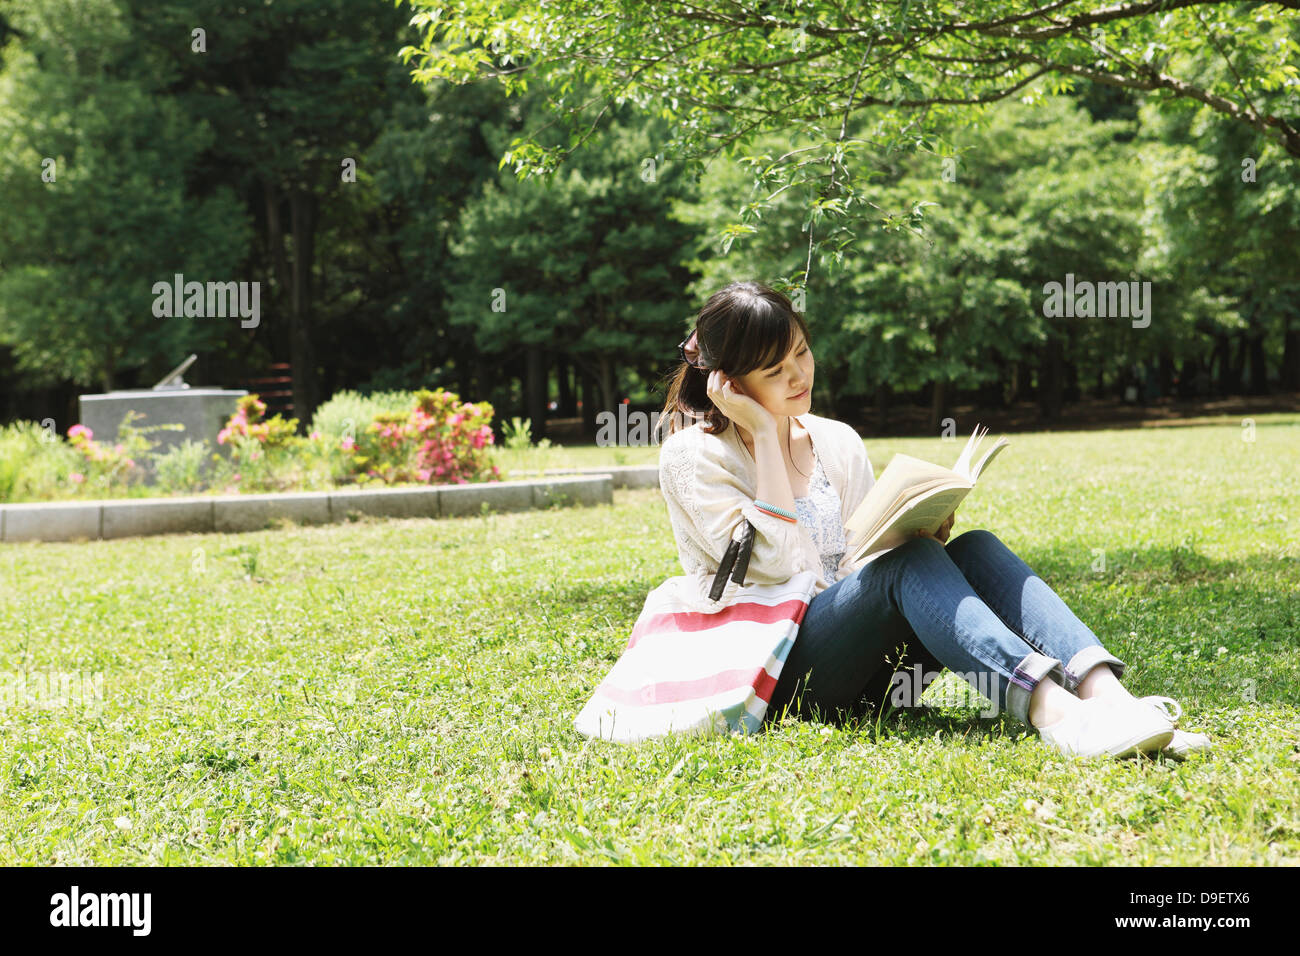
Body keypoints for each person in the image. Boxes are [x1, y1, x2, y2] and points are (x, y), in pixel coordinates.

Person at [656, 280, 1211, 759]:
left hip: (872, 670)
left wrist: (915, 531)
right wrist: (762, 434)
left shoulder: (835, 440)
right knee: (910, 565)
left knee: (974, 547)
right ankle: (1056, 715)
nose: (799, 375)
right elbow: (773, 566)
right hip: (780, 675)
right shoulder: (695, 457)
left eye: (802, 352)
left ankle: (1110, 701)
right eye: (774, 371)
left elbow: (861, 562)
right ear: (729, 385)